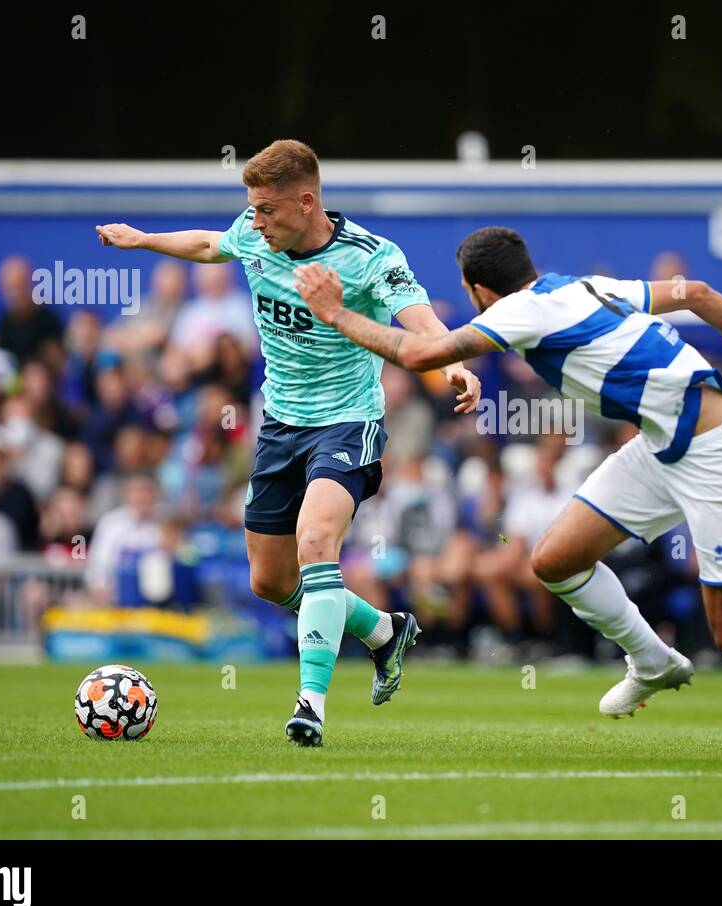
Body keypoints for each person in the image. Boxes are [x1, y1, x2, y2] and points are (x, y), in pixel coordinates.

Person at [295, 226, 722, 767]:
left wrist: (333, 310)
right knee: (556, 559)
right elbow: (698, 292)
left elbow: (422, 353)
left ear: (479, 291)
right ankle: (653, 660)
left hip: (716, 450)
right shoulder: (583, 287)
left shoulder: (521, 312)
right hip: (665, 443)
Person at [96, 139, 482, 747]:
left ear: (307, 202)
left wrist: (456, 364)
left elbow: (422, 323)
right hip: (279, 426)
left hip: (347, 423)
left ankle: (311, 705)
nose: (255, 221)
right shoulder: (255, 235)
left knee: (315, 541)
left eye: (267, 210)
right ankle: (384, 632)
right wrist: (142, 239)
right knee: (271, 582)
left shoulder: (372, 258)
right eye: (250, 208)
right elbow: (208, 245)